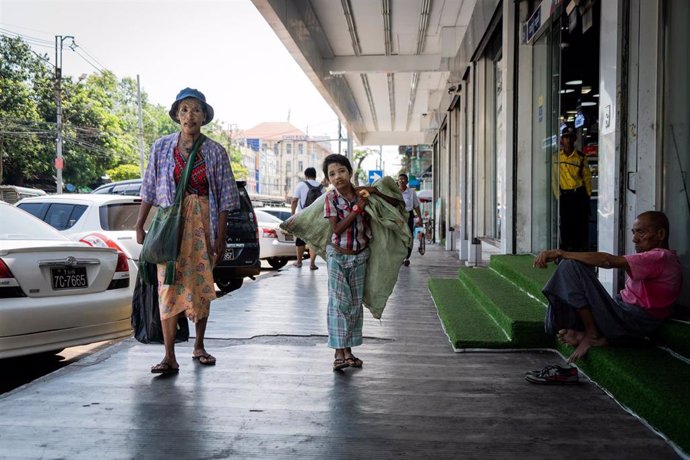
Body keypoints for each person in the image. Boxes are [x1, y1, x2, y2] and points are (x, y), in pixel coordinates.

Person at [135, 88, 239, 374]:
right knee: (168, 286)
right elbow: (150, 188)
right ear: (176, 115)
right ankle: (169, 355)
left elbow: (226, 199)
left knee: (201, 285)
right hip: (170, 227)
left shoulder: (215, 151)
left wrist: (220, 237)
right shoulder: (161, 147)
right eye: (184, 109)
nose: (189, 115)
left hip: (203, 226)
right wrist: (140, 224)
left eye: (195, 110)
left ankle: (199, 345)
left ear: (204, 116)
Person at [531, 211, 682, 371]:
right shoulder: (655, 258)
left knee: (569, 266)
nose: (634, 239)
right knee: (571, 272)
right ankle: (588, 332)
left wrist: (561, 253)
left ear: (660, 234)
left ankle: (591, 333)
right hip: (622, 312)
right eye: (633, 232)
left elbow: (607, 261)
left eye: (641, 232)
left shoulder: (660, 257)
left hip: (632, 320)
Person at [322, 154, 400, 371]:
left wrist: (375, 192)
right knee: (339, 304)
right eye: (332, 174)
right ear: (328, 179)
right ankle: (338, 352)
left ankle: (348, 352)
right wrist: (357, 209)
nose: (337, 177)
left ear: (350, 172)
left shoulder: (362, 193)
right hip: (337, 256)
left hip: (360, 257)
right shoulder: (331, 199)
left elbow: (396, 204)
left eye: (341, 171)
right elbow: (336, 229)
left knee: (355, 305)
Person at [553, 124, 592, 251]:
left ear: (574, 139)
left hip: (579, 194)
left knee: (579, 225)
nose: (568, 140)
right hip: (565, 195)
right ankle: (565, 251)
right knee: (565, 225)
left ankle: (578, 251)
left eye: (570, 137)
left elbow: (586, 178)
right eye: (565, 137)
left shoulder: (581, 157)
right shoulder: (556, 157)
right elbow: (554, 178)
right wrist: (558, 195)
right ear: (561, 140)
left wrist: (588, 196)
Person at [291, 167, 323, 270]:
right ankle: (312, 264)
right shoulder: (322, 187)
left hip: (303, 216)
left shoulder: (301, 185)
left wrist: (292, 213)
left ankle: (299, 262)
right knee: (313, 241)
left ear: (305, 175)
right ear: (315, 175)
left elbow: (294, 200)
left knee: (300, 239)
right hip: (316, 218)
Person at [397, 173, 422, 266]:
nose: (401, 181)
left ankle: (406, 257)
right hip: (398, 216)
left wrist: (420, 218)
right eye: (399, 179)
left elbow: (416, 206)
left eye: (403, 179)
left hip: (409, 216)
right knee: (399, 236)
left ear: (407, 181)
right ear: (397, 181)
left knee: (409, 236)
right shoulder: (395, 192)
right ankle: (400, 257)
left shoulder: (411, 192)